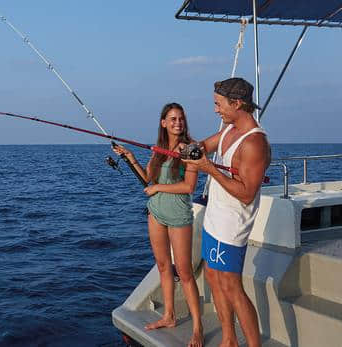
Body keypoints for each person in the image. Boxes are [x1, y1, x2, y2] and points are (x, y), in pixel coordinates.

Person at [182, 77, 270, 347]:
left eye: (219, 104)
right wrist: (183, 148)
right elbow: (203, 147)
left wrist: (210, 170)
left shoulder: (254, 143)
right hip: (214, 219)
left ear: (237, 103)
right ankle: (229, 338)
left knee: (233, 287)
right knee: (212, 276)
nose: (215, 109)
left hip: (232, 226)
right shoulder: (228, 129)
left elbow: (246, 194)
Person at [113, 103, 203, 347]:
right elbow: (147, 180)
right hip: (156, 213)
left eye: (181, 119)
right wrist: (130, 157)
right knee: (163, 266)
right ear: (163, 122)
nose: (178, 123)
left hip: (178, 215)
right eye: (172, 119)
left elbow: (189, 187)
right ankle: (169, 316)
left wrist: (158, 188)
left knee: (184, 272)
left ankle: (197, 328)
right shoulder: (159, 150)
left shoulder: (191, 149)